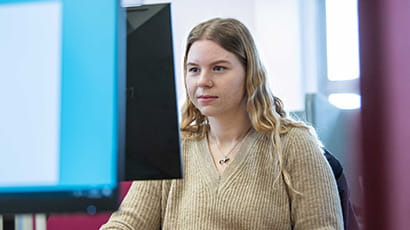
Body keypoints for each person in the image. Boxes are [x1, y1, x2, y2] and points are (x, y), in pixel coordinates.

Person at [100, 18, 343, 230]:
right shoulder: (171, 147)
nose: (203, 81)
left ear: (249, 73)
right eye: (194, 69)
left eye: (218, 68)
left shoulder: (293, 144)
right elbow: (127, 223)